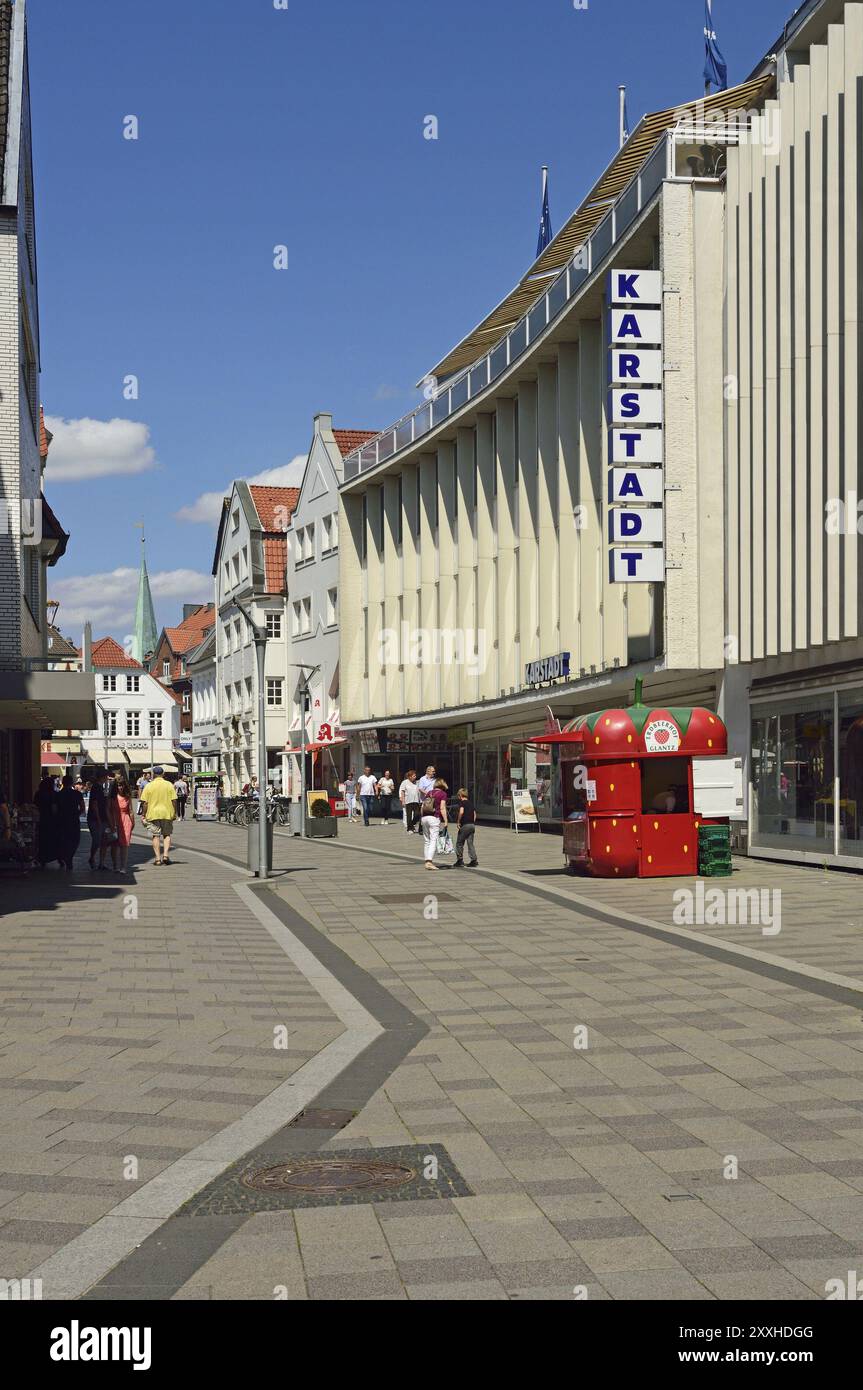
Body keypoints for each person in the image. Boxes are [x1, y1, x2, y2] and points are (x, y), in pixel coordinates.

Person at [140, 765, 178, 866]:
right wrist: (175, 812)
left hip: (153, 813)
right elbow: (174, 800)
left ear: (153, 774)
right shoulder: (169, 785)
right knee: (167, 834)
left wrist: (143, 814)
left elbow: (145, 803)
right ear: (163, 774)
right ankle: (165, 855)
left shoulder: (149, 786)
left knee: (155, 836)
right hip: (167, 812)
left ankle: (157, 859)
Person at [56, 775, 85, 871]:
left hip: (61, 820)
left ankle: (63, 857)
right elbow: (82, 808)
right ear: (72, 783)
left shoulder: (58, 795)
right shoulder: (77, 794)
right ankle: (69, 857)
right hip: (73, 820)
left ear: (63, 783)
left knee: (63, 839)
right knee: (75, 840)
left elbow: (54, 809)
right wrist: (77, 814)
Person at [420, 777, 449, 870]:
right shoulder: (443, 794)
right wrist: (445, 820)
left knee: (427, 840)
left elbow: (423, 805)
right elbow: (442, 808)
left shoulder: (429, 792)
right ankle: (429, 861)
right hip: (434, 818)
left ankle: (426, 861)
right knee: (433, 840)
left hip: (424, 817)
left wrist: (421, 817)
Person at [33, 773, 60, 868]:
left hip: (41, 819)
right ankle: (55, 856)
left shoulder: (38, 794)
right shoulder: (54, 794)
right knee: (53, 839)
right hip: (51, 820)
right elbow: (55, 808)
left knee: (42, 839)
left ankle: (42, 858)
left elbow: (35, 806)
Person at [110, 777, 135, 873]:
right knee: (114, 845)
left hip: (126, 821)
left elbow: (131, 811)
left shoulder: (127, 796)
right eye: (118, 786)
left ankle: (123, 866)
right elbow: (108, 810)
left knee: (124, 845)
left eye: (121, 785)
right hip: (115, 820)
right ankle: (115, 865)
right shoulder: (112, 797)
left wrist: (133, 822)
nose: (120, 787)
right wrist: (111, 823)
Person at [86, 776, 109, 871]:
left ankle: (101, 863)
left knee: (103, 841)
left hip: (101, 818)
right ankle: (92, 858)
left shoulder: (100, 787)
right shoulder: (97, 787)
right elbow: (94, 804)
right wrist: (99, 818)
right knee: (97, 840)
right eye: (105, 776)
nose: (107, 778)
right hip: (95, 819)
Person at [454, 788, 478, 867]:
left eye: (458, 795)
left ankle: (460, 860)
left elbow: (461, 812)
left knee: (459, 843)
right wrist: (472, 822)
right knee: (470, 843)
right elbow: (475, 814)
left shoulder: (462, 803)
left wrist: (458, 821)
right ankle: (474, 860)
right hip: (472, 825)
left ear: (460, 795)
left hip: (465, 825)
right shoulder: (471, 803)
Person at [399, 769, 421, 834]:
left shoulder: (417, 782)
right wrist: (403, 801)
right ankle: (409, 829)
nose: (415, 777)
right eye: (414, 776)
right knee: (409, 815)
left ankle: (412, 824)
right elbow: (402, 791)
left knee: (417, 814)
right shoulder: (405, 782)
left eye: (415, 776)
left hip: (416, 801)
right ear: (410, 776)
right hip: (408, 801)